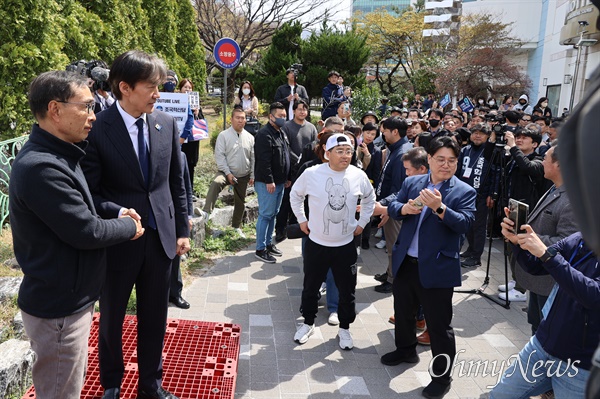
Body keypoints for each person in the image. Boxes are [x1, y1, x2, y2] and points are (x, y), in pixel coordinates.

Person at [9, 71, 144, 399]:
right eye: (86, 107)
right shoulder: (44, 168)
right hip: (59, 309)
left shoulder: (62, 155)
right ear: (55, 110)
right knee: (60, 391)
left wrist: (114, 211)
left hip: (68, 300)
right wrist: (130, 227)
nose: (93, 116)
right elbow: (86, 231)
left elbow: (81, 211)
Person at [81, 50, 190, 399]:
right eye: (151, 86)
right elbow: (90, 192)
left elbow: (177, 182)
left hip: (161, 238)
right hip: (118, 240)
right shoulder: (98, 129)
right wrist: (118, 212)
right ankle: (111, 383)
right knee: (111, 316)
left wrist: (183, 230)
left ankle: (150, 385)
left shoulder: (165, 123)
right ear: (124, 87)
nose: (158, 93)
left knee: (155, 316)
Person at [380, 136, 476, 399]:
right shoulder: (413, 182)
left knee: (439, 326)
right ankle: (406, 349)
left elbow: (465, 224)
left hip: (437, 268)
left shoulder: (463, 191)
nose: (446, 165)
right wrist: (407, 208)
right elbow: (394, 207)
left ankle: (441, 376)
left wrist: (440, 208)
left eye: (452, 161)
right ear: (429, 159)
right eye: (440, 159)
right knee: (403, 311)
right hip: (406, 262)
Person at [490, 224, 599, 398]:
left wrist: (547, 256)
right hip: (542, 345)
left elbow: (594, 295)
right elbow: (535, 265)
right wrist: (518, 242)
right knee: (499, 395)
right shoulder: (582, 236)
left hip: (580, 366)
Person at [290, 133, 375, 349]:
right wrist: (302, 219)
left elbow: (369, 198)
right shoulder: (312, 173)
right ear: (327, 154)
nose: (345, 155)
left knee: (347, 289)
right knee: (310, 286)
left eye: (348, 151)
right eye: (339, 151)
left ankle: (345, 328)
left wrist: (362, 222)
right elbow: (295, 195)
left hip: (345, 245)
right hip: (316, 243)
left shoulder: (358, 175)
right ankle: (308, 322)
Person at [513, 143, 578, 335]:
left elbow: (568, 243)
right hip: (540, 279)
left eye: (546, 159)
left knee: (548, 333)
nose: (541, 163)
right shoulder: (555, 188)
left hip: (553, 282)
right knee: (537, 327)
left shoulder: (573, 200)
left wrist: (528, 237)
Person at [202, 106, 255, 237]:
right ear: (231, 119)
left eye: (243, 118)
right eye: (237, 118)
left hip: (243, 174)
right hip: (225, 172)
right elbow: (220, 156)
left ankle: (236, 226)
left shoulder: (250, 137)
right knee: (216, 182)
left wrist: (253, 175)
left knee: (240, 201)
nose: (240, 121)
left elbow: (253, 158)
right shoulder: (223, 135)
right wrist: (228, 173)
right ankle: (206, 212)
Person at [373, 117, 412, 293]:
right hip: (391, 205)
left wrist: (385, 207)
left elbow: (399, 188)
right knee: (391, 244)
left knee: (394, 246)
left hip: (395, 208)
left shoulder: (402, 153)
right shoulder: (396, 149)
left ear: (394, 131)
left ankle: (394, 279)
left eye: (384, 131)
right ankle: (390, 272)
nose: (383, 134)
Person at [275, 99, 318, 242]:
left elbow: (315, 147)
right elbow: (285, 148)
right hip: (290, 171)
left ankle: (295, 228)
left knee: (303, 201)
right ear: (293, 111)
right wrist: (298, 161)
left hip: (308, 171)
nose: (302, 112)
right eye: (299, 109)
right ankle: (280, 230)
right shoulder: (287, 127)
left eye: (305, 109)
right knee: (286, 202)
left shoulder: (311, 128)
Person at [254, 102, 291, 263]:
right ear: (271, 116)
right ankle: (260, 248)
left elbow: (285, 155)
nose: (283, 118)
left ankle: (269, 243)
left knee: (273, 214)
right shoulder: (264, 134)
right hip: (267, 183)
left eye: (284, 116)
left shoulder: (280, 132)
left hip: (281, 182)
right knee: (265, 215)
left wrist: (287, 177)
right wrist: (269, 180)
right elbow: (264, 161)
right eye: (280, 116)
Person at [457, 124, 496, 268]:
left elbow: (495, 173)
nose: (477, 136)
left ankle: (476, 256)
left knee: (478, 227)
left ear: (487, 136)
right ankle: (470, 250)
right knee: (468, 225)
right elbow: (458, 169)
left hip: (481, 194)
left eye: (481, 133)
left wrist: (492, 194)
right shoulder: (465, 150)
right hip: (464, 194)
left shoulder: (490, 151)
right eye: (475, 133)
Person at [176, 77, 201, 190]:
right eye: (185, 87)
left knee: (190, 165)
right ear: (180, 89)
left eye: (189, 87)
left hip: (192, 140)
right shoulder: (176, 101)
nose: (187, 89)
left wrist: (196, 113)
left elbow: (201, 123)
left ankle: (190, 189)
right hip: (180, 138)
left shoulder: (196, 103)